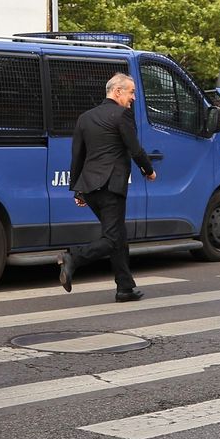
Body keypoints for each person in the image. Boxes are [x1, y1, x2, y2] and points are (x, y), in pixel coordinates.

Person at [57, 73, 156, 302]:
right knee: (112, 239)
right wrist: (148, 170)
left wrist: (77, 189)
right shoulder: (122, 115)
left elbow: (77, 156)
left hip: (90, 188)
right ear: (117, 91)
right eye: (131, 92)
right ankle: (74, 257)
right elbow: (135, 149)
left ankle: (125, 288)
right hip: (111, 186)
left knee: (117, 235)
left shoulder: (85, 117)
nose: (133, 98)